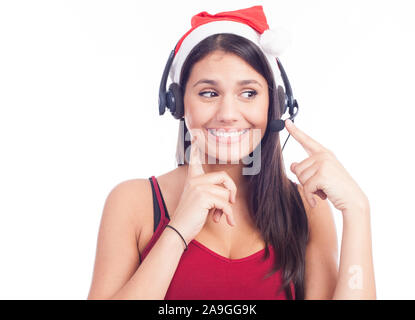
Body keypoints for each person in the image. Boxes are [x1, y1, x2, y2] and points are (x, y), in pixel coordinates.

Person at [87, 5, 376, 300]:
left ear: (273, 103)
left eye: (248, 93)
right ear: (177, 103)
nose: (227, 114)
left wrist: (358, 210)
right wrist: (178, 231)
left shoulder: (306, 207)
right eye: (209, 93)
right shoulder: (133, 203)